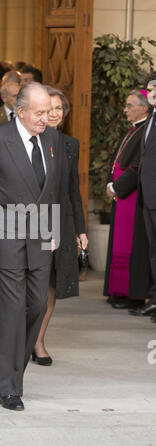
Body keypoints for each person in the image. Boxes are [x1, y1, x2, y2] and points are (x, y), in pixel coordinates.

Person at [0, 83, 60, 411]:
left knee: (36, 307)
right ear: (20, 111)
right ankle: (9, 387)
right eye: (39, 113)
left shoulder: (51, 140)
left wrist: (56, 228)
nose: (46, 118)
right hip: (4, 240)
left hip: (40, 240)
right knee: (11, 314)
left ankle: (14, 367)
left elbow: (52, 190)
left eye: (49, 112)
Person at [33, 86, 88, 366]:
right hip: (30, 222)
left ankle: (38, 341)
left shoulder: (70, 145)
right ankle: (21, 337)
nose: (54, 114)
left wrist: (80, 229)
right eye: (49, 108)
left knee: (51, 287)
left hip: (60, 223)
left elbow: (73, 191)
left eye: (59, 109)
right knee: (31, 287)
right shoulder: (26, 141)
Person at [104, 90, 150, 310]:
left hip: (132, 196)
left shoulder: (146, 131)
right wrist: (108, 183)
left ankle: (132, 294)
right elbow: (116, 161)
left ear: (144, 107)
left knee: (132, 246)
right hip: (121, 195)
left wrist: (118, 187)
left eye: (130, 105)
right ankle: (118, 290)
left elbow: (137, 166)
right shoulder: (133, 130)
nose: (125, 109)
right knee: (119, 244)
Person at [130, 80, 156, 320]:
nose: (152, 93)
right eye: (150, 89)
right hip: (148, 195)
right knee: (153, 251)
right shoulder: (150, 118)